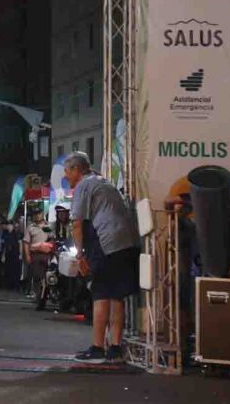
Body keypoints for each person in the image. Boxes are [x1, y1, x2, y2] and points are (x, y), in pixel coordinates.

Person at [64, 151, 139, 364]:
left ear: (77, 170)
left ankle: (97, 347)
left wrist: (80, 255)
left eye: (68, 172)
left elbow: (77, 223)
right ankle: (115, 347)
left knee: (101, 293)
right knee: (117, 296)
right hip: (128, 242)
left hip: (106, 242)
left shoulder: (83, 186)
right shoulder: (104, 182)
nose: (66, 177)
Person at [23, 205, 55, 310]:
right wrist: (27, 255)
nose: (37, 216)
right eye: (35, 214)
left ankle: (44, 298)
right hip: (35, 255)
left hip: (46, 255)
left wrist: (50, 248)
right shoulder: (30, 227)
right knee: (37, 277)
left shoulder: (47, 226)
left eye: (39, 214)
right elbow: (26, 243)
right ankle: (38, 297)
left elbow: (52, 239)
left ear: (42, 214)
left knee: (47, 277)